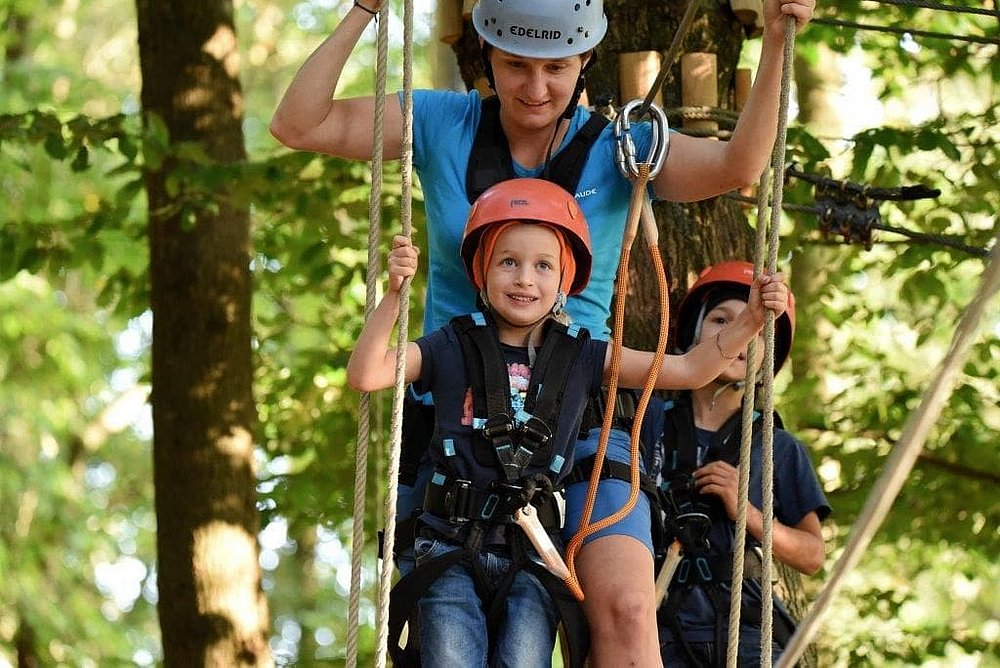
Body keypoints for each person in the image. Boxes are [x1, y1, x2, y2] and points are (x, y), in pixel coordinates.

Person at [273, 0, 816, 661]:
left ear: (584, 63)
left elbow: (738, 165)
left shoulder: (622, 146)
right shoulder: (444, 122)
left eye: (556, 68)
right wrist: (363, 10)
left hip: (581, 405)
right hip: (458, 417)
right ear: (487, 61)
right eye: (515, 67)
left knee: (626, 606)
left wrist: (780, 40)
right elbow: (298, 124)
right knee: (453, 620)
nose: (535, 89)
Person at [345, 180, 792, 665]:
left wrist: (750, 320)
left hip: (532, 553)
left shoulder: (584, 355)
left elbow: (686, 370)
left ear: (565, 281)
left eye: (543, 266)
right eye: (508, 262)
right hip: (447, 542)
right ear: (482, 271)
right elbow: (367, 373)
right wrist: (393, 298)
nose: (524, 279)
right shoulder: (448, 346)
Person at [637, 261, 830, 666]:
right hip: (660, 626)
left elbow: (812, 555)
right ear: (693, 334)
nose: (740, 337)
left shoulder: (777, 447)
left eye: (755, 329)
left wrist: (749, 512)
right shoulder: (646, 421)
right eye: (721, 319)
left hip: (744, 629)